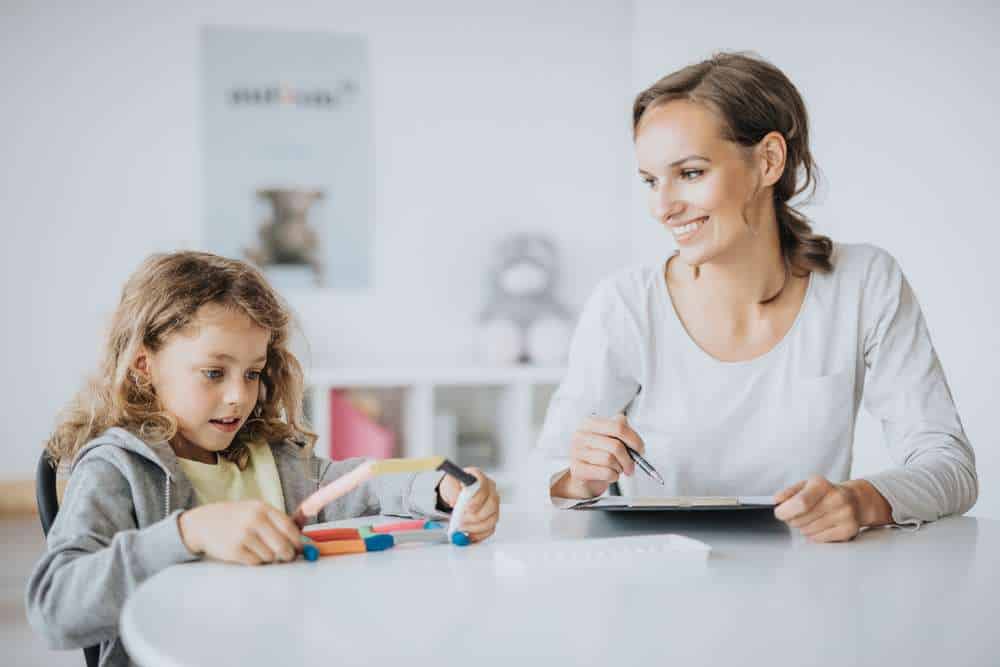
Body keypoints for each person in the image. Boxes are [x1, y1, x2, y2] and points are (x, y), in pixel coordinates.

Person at [538, 52, 976, 541]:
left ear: (768, 160)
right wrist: (578, 478)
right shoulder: (625, 304)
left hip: (811, 574)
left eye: (691, 173)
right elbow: (544, 474)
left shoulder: (864, 282)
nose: (662, 207)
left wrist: (859, 501)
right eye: (650, 181)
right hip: (665, 577)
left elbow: (949, 465)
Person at [26, 251, 501, 666]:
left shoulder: (269, 458)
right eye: (214, 372)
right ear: (144, 366)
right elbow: (54, 608)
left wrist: (438, 489)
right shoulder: (117, 470)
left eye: (252, 373)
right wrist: (188, 534)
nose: (239, 396)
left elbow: (357, 484)